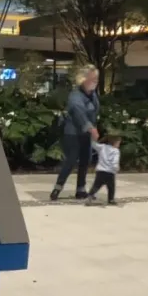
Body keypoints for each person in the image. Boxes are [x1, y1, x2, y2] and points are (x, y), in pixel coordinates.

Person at [50, 66, 99, 201]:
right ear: (83, 79)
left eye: (96, 79)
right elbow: (79, 112)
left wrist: (92, 128)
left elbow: (94, 112)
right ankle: (58, 187)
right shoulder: (75, 95)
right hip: (72, 133)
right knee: (71, 160)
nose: (95, 81)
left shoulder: (92, 95)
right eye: (92, 79)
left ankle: (81, 189)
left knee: (85, 159)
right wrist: (91, 128)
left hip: (85, 134)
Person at [86, 134, 120, 206]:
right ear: (114, 142)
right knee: (111, 187)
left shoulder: (102, 147)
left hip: (100, 170)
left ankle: (90, 196)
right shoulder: (116, 151)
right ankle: (111, 199)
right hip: (110, 172)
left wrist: (92, 137)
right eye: (118, 143)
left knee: (96, 185)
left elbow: (94, 145)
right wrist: (116, 168)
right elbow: (115, 161)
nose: (119, 145)